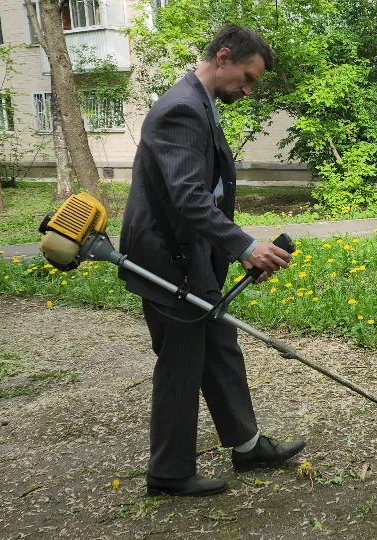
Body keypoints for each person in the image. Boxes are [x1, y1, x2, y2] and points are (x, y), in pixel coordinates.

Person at [118, 25, 305, 497]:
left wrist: (227, 250)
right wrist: (245, 246)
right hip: (165, 260)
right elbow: (188, 196)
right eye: (247, 77)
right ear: (223, 57)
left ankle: (246, 444)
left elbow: (206, 194)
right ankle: (169, 472)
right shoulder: (181, 107)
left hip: (192, 255)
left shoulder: (201, 104)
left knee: (219, 344)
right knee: (182, 360)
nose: (247, 89)